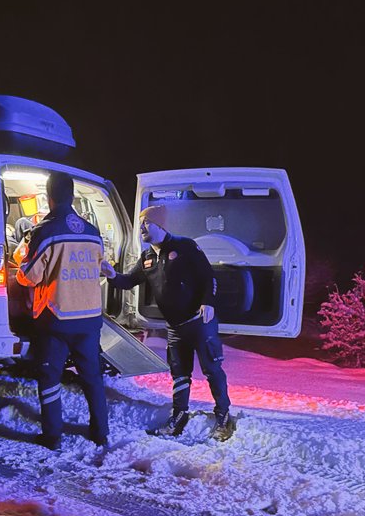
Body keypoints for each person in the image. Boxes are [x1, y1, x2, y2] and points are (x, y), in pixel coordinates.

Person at [101, 205, 236, 441]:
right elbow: (128, 281)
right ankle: (179, 416)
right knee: (180, 373)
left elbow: (208, 277)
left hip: (200, 322)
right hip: (175, 327)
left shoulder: (185, 246)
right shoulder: (147, 258)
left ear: (160, 224)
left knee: (212, 369)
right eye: (141, 223)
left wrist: (208, 302)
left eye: (147, 223)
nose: (142, 227)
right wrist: (111, 275)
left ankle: (223, 415)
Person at [15, 172, 109, 449]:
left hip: (56, 318)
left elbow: (29, 277)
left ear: (49, 197)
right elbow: (100, 266)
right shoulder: (93, 232)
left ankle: (52, 435)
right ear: (72, 196)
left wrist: (21, 259)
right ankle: (100, 432)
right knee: (92, 377)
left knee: (49, 378)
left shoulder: (44, 232)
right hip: (90, 318)